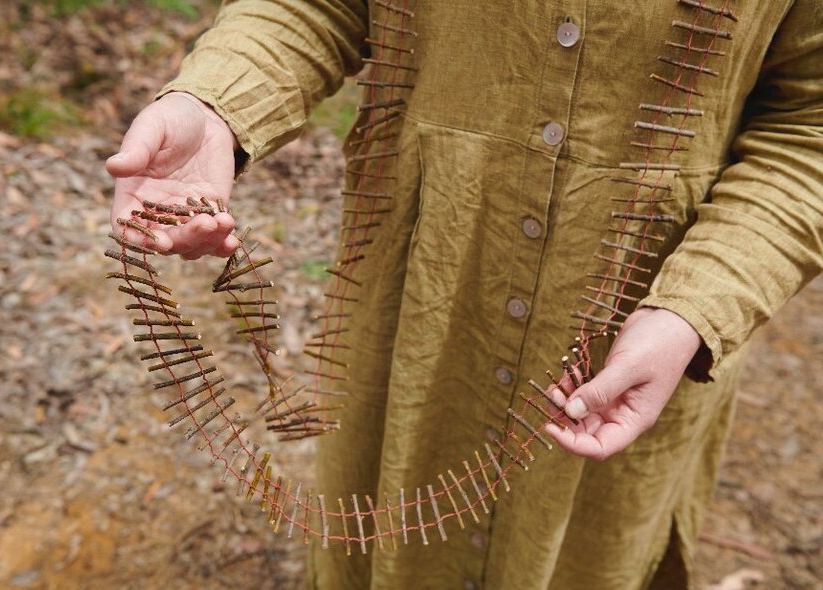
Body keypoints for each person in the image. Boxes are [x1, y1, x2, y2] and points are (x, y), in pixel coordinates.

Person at [106, 1, 823, 588]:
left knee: (588, 558)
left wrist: (693, 308)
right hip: (411, 307)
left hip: (639, 342)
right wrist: (218, 100)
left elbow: (809, 126)